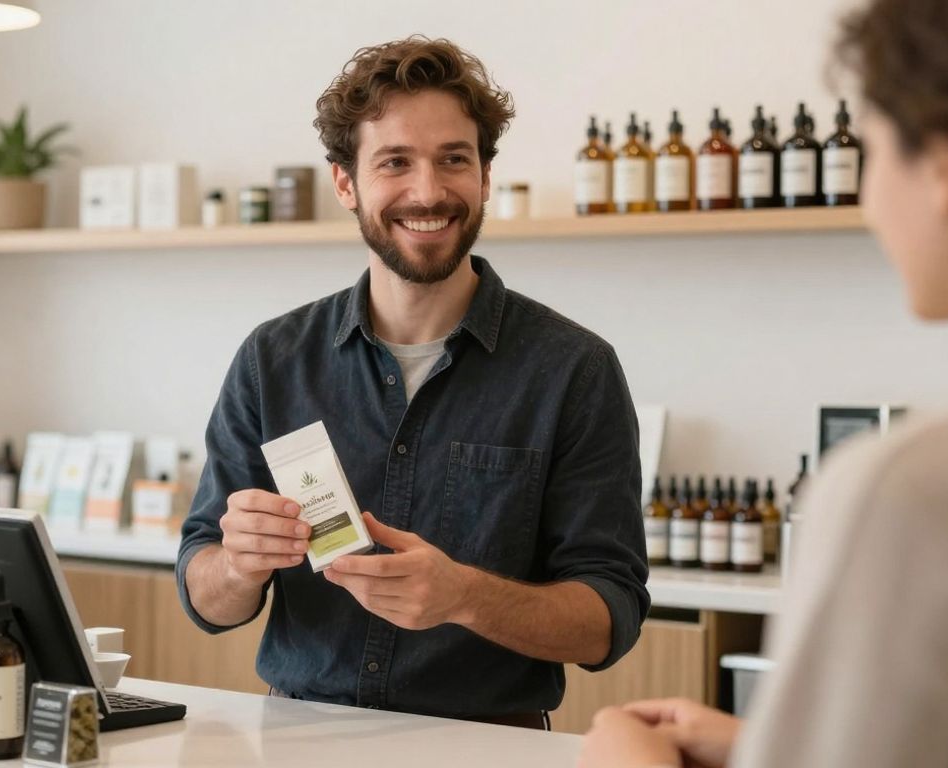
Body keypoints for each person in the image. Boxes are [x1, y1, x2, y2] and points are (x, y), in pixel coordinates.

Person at [580, 0, 948, 764]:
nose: (867, 197)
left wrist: (629, 760)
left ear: (946, 168)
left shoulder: (912, 494)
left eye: (874, 150)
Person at [175, 36, 649, 729]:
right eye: (394, 162)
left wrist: (465, 597)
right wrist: (239, 566)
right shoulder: (272, 360)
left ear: (485, 175)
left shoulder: (574, 370)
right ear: (346, 183)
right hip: (299, 739)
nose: (428, 192)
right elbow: (204, 596)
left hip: (490, 748)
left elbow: (611, 618)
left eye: (454, 159)